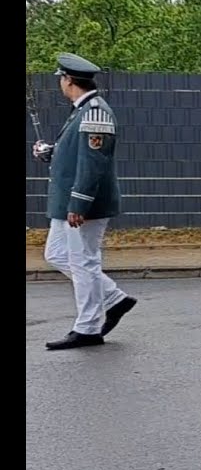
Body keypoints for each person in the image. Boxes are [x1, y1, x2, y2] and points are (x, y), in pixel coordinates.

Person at [35, 53, 136, 350]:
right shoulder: (82, 110)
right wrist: (51, 152)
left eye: (61, 80)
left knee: (83, 262)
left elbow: (94, 163)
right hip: (67, 203)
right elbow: (77, 154)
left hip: (84, 205)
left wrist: (79, 205)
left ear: (69, 81)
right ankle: (115, 299)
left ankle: (88, 328)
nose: (60, 84)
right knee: (56, 254)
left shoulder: (95, 112)